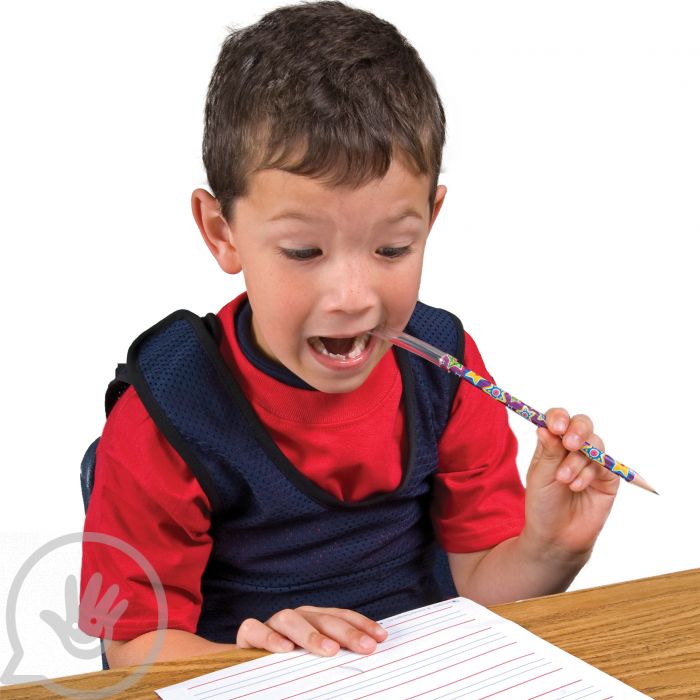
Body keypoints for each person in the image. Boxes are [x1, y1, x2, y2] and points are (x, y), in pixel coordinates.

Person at [79, 1, 618, 669]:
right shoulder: (169, 413)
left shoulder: (445, 371)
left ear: (431, 216)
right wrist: (257, 663)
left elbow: (485, 591)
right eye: (304, 252)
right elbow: (131, 648)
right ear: (223, 233)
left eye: (393, 248)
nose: (354, 298)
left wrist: (550, 549)